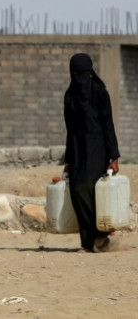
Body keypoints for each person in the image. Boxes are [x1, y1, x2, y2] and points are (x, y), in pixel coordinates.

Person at [62, 53, 120, 253]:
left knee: (89, 187)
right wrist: (69, 160)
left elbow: (108, 124)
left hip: (98, 148)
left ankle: (101, 235)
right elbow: (69, 131)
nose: (78, 78)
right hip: (78, 150)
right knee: (76, 190)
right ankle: (88, 242)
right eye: (74, 73)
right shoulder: (70, 97)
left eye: (81, 73)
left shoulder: (99, 93)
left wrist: (114, 156)